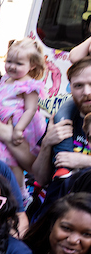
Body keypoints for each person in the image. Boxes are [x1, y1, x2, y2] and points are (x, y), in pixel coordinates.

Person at [0, 38, 48, 186]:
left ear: (32, 65)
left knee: (13, 160)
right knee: (0, 155)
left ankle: (21, 193)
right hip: (3, 121)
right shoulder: (6, 78)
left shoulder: (29, 85)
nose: (12, 67)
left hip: (22, 126)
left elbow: (31, 109)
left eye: (19, 64)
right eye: (9, 61)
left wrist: (18, 129)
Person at [33, 58, 91, 187]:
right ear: (70, 88)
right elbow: (40, 178)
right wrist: (47, 143)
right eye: (79, 86)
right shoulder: (61, 119)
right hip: (60, 200)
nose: (86, 92)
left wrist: (85, 161)